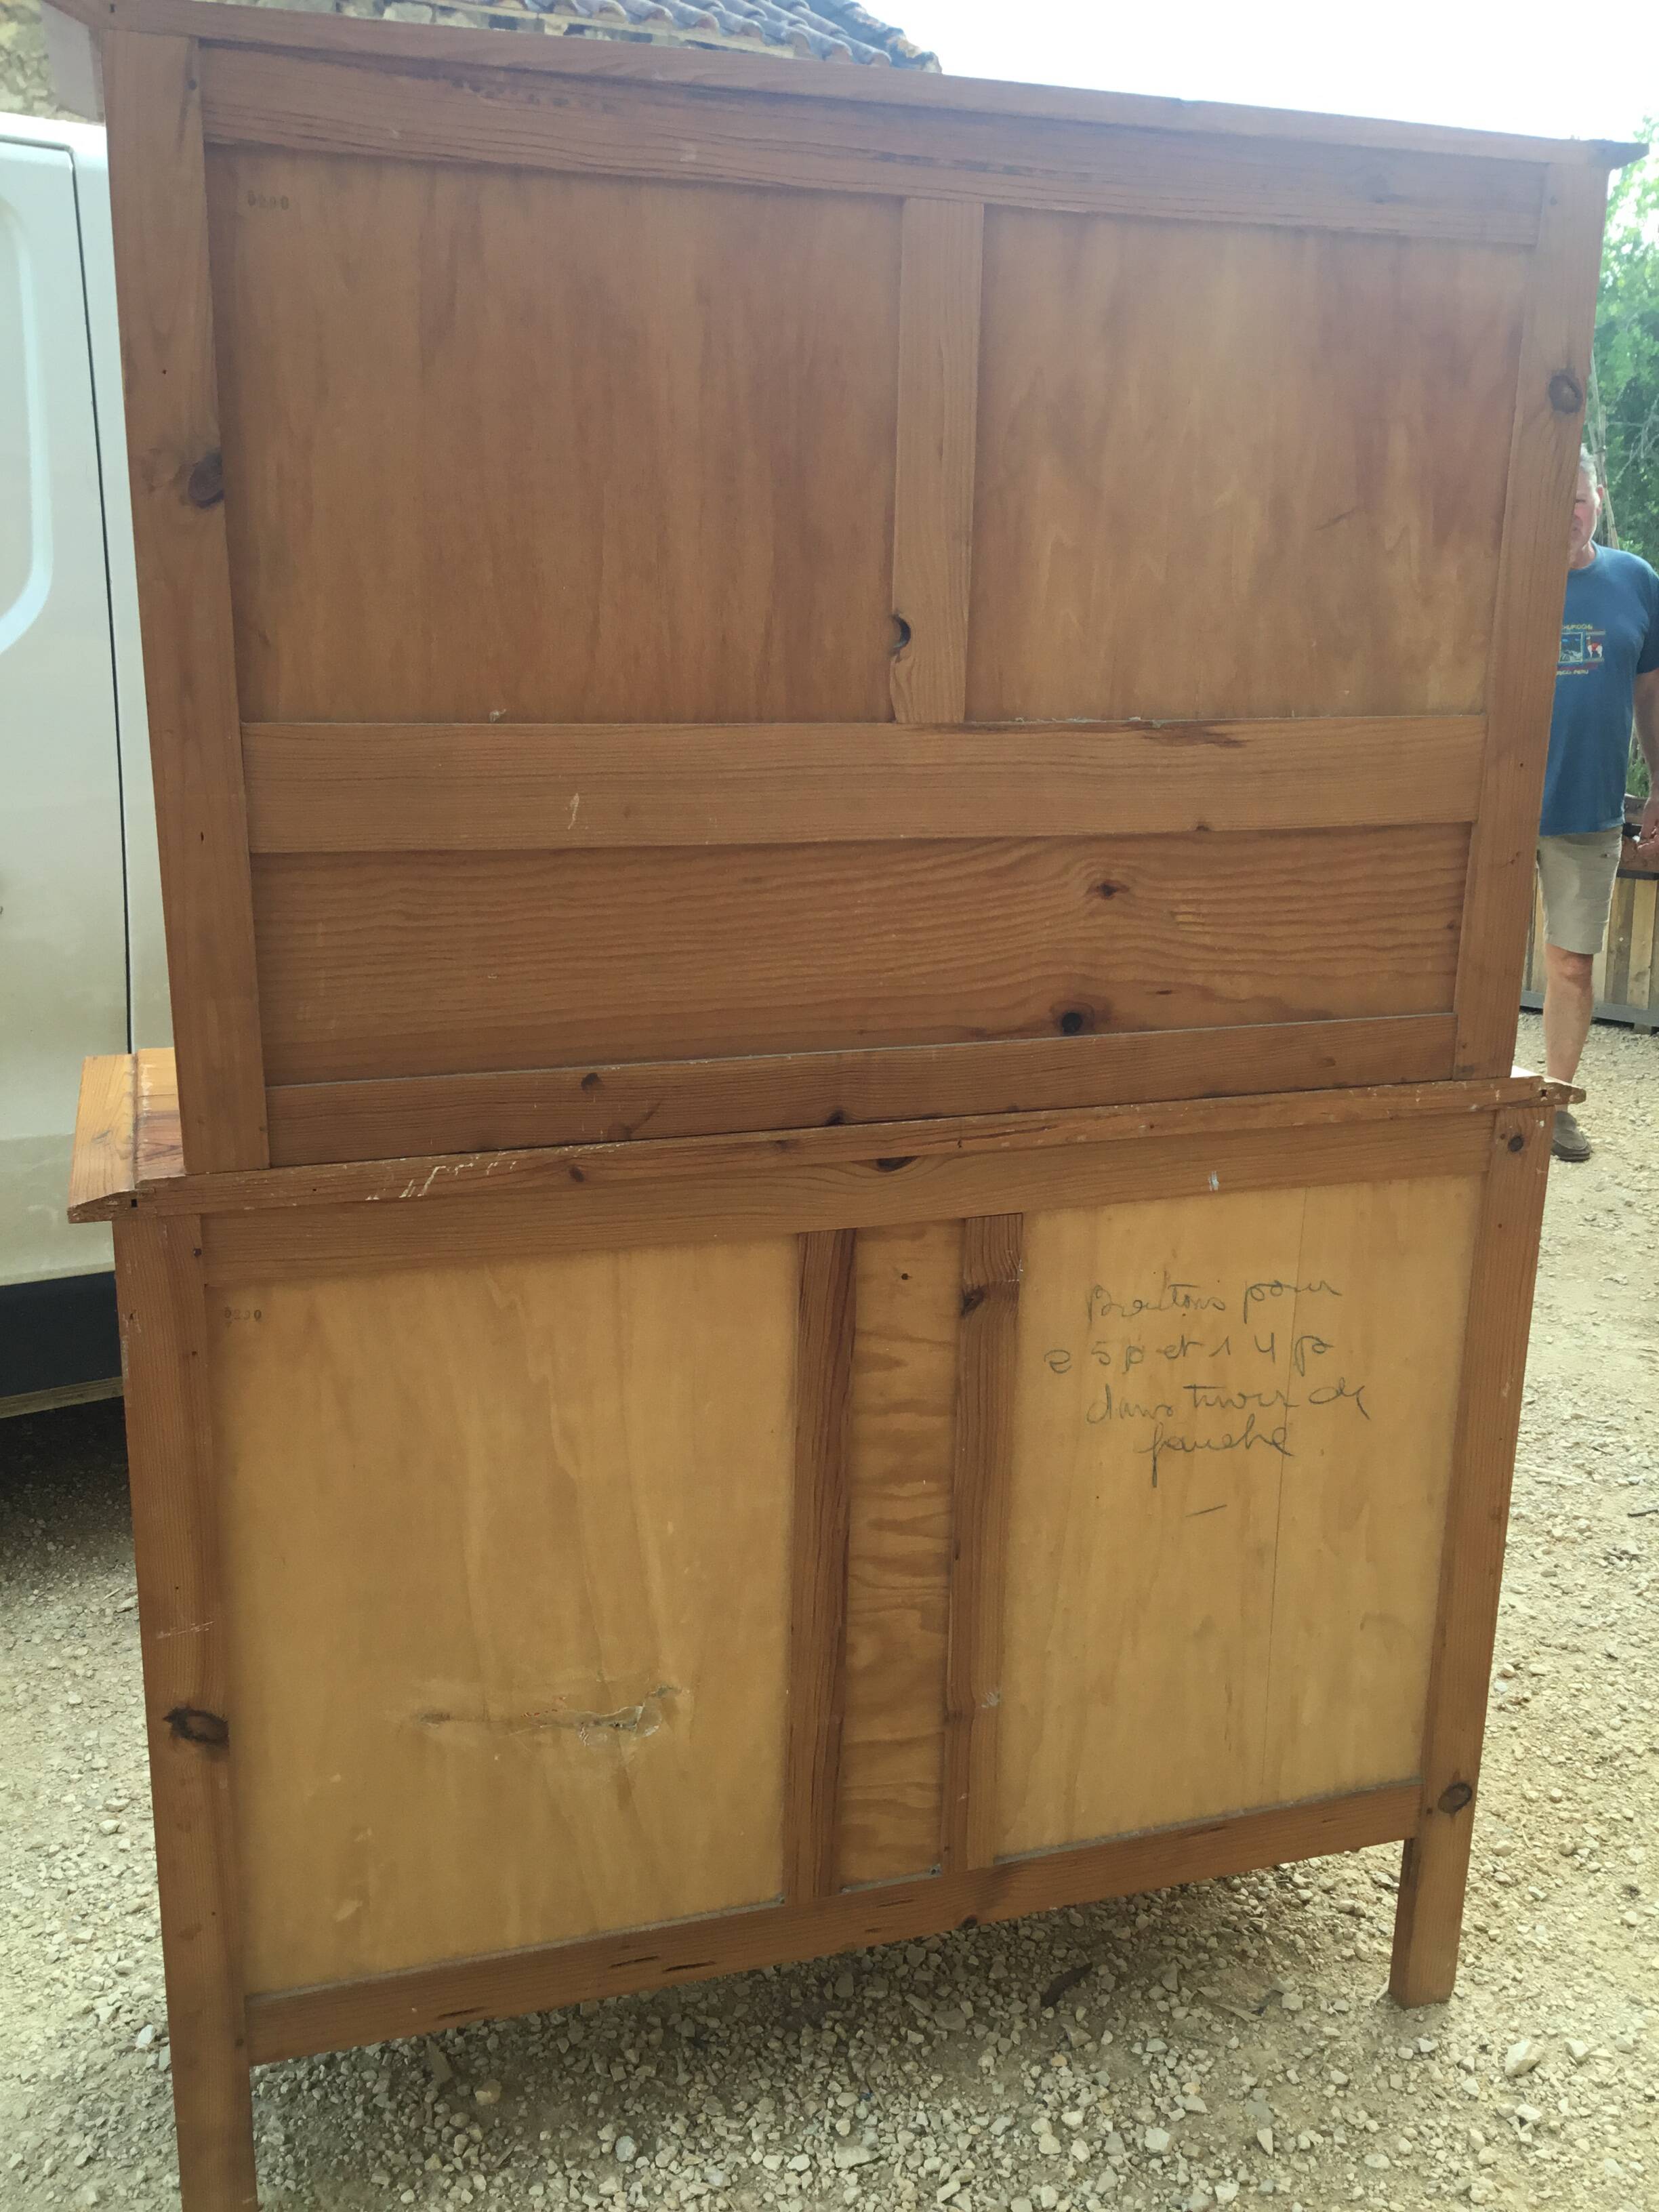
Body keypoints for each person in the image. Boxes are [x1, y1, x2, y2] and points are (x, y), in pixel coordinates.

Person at [1537, 450, 1659, 1160]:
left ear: (1600, 498)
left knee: (1572, 966)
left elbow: (1651, 696)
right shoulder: (1504, 577)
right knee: (1473, 960)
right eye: (1556, 501)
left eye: (1579, 499)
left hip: (1588, 805)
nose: (1570, 515)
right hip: (1503, 806)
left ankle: (1554, 1103)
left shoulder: (1637, 582)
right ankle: (1471, 1093)